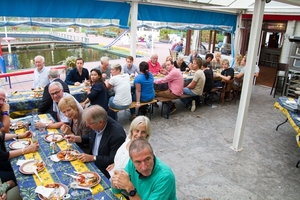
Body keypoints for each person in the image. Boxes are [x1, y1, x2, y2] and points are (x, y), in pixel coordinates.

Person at [64, 105, 126, 178]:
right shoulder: (95, 122)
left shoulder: (117, 135)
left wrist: (92, 158)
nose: (87, 125)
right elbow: (91, 137)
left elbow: (112, 159)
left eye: (89, 123)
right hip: (91, 159)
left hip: (104, 168)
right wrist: (78, 138)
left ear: (100, 122)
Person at [111, 138, 177, 200]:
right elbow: (115, 190)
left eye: (147, 159)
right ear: (132, 160)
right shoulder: (131, 163)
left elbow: (128, 188)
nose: (144, 167)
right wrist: (117, 179)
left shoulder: (165, 177)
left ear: (153, 155)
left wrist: (130, 189)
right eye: (138, 162)